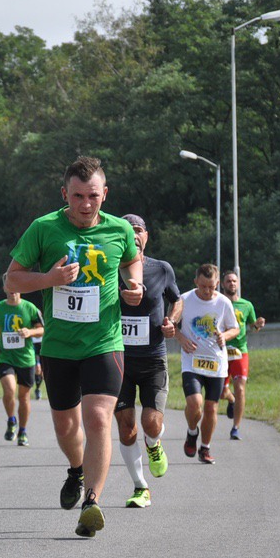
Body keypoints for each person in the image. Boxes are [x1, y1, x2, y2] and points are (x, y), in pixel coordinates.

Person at [5, 156, 143, 538]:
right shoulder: (44, 228)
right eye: (78, 196)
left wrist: (135, 285)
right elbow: (10, 280)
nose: (85, 204)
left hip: (104, 342)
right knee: (67, 427)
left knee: (97, 419)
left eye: (93, 196)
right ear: (64, 194)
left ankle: (91, 502)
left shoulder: (119, 229)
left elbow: (133, 261)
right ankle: (76, 469)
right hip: (59, 346)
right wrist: (49, 278)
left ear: (105, 194)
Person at [114, 214, 181, 508]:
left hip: (153, 359)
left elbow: (177, 300)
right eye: (126, 230)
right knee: (126, 427)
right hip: (118, 360)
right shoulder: (107, 269)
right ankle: (140, 487)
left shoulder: (161, 269)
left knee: (151, 423)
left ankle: (154, 444)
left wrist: (171, 321)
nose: (133, 234)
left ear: (146, 236)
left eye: (138, 229)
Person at [162, 264, 238, 465]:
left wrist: (224, 336)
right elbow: (170, 325)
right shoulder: (184, 299)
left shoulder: (223, 302)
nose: (207, 291)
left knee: (211, 408)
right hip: (192, 361)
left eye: (211, 287)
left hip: (216, 362)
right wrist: (181, 339)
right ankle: (191, 432)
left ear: (217, 284)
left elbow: (235, 328)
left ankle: (205, 448)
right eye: (203, 286)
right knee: (195, 403)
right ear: (196, 282)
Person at [0, 279, 44, 447]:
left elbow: (42, 329)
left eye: (15, 284)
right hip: (6, 357)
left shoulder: (30, 308)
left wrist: (30, 332)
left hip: (26, 359)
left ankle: (22, 431)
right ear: (4, 287)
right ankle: (11, 420)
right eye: (9, 285)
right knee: (9, 390)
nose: (12, 288)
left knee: (23, 397)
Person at [220, 271, 266, 440]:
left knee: (240, 388)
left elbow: (253, 327)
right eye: (228, 281)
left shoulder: (246, 305)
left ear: (238, 284)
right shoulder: (218, 302)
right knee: (221, 392)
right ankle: (231, 400)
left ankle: (236, 428)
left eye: (234, 281)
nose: (231, 283)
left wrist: (258, 324)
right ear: (222, 284)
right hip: (221, 351)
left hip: (240, 351)